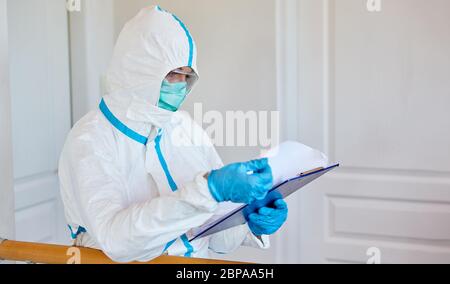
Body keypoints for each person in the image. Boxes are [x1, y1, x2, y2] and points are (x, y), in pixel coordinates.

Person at [58, 5, 288, 263]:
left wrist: (249, 221)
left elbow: (213, 236)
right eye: (172, 74)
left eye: (187, 76)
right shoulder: (90, 139)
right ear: (137, 69)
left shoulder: (186, 128)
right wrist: (208, 191)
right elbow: (118, 240)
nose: (180, 84)